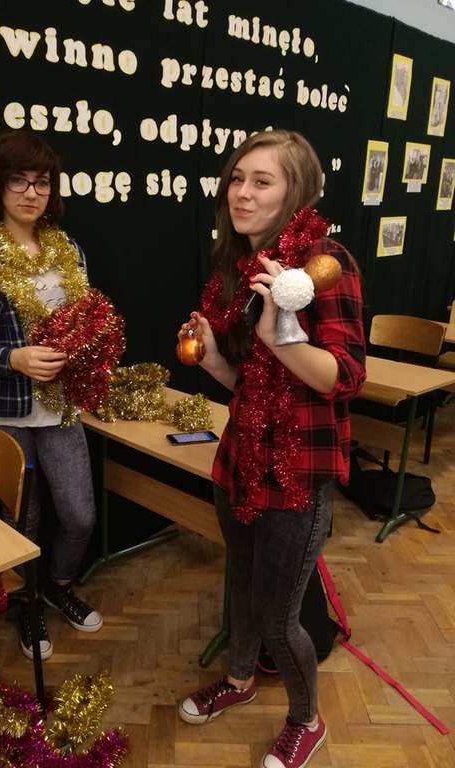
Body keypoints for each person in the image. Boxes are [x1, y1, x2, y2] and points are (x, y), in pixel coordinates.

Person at [177, 130, 365, 768]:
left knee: (281, 616)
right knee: (240, 583)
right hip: (239, 459)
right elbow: (252, 386)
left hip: (298, 472)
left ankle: (306, 720)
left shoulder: (325, 263)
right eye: (237, 178)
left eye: (262, 181)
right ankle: (238, 680)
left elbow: (344, 378)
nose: (243, 193)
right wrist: (213, 359)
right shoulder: (242, 265)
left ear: (297, 191)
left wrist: (281, 332)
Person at [0, 131, 103, 661]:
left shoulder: (69, 250)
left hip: (60, 407)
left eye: (41, 182)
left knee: (79, 515)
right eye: (18, 181)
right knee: (21, 523)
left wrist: (88, 351)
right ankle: (27, 603)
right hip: (1, 411)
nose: (31, 193)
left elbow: (85, 324)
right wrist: (13, 358)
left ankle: (58, 585)